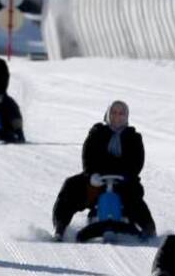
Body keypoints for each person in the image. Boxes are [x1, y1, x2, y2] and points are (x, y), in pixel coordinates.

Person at [51, 100, 156, 241]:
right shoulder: (97, 133)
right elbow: (88, 156)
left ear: (126, 117)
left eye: (121, 113)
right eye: (113, 113)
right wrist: (91, 174)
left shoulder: (133, 137)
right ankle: (60, 227)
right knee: (71, 186)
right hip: (96, 181)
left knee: (134, 199)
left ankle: (148, 230)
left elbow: (137, 162)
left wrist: (126, 175)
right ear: (108, 114)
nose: (117, 116)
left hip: (124, 181)